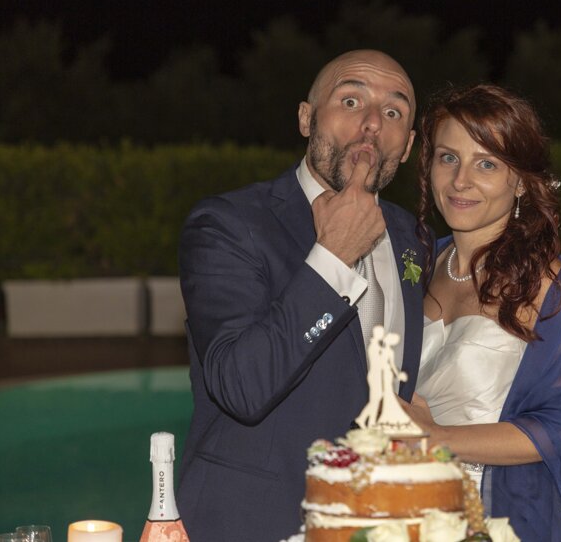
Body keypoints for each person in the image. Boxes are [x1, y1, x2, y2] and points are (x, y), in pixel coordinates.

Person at [176, 50, 428, 542]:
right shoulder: (228, 225)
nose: (372, 123)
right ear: (306, 118)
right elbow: (241, 386)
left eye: (393, 111)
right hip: (254, 523)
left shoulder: (412, 238)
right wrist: (333, 258)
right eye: (350, 100)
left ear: (408, 145)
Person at [401, 84, 561, 541]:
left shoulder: (543, 283)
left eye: (487, 164)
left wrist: (439, 439)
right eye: (448, 157)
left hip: (509, 519)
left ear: (520, 182)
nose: (461, 180)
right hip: (416, 512)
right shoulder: (415, 269)